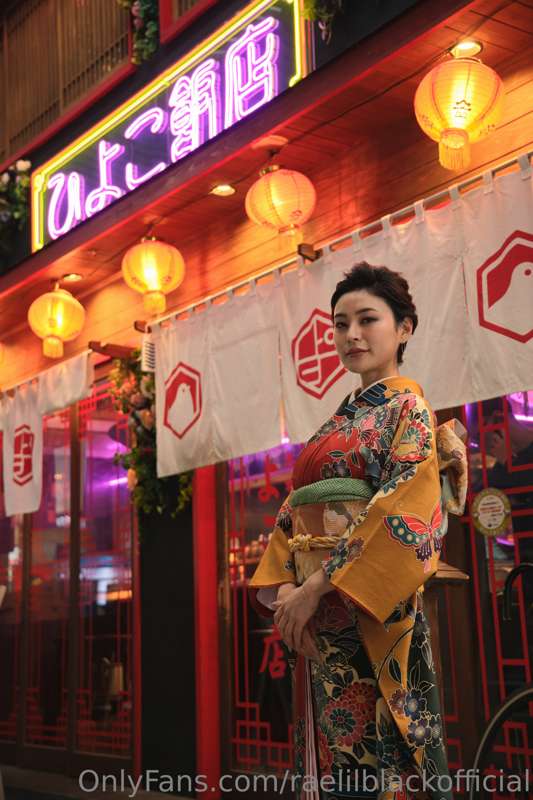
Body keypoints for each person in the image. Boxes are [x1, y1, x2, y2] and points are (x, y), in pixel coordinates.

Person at [249, 263, 468, 800]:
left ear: (404, 328)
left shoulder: (409, 410)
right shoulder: (337, 422)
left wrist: (315, 587)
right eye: (341, 323)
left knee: (378, 753)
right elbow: (293, 511)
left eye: (368, 319)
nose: (351, 334)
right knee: (332, 754)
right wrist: (286, 591)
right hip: (316, 614)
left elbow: (404, 511)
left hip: (368, 609)